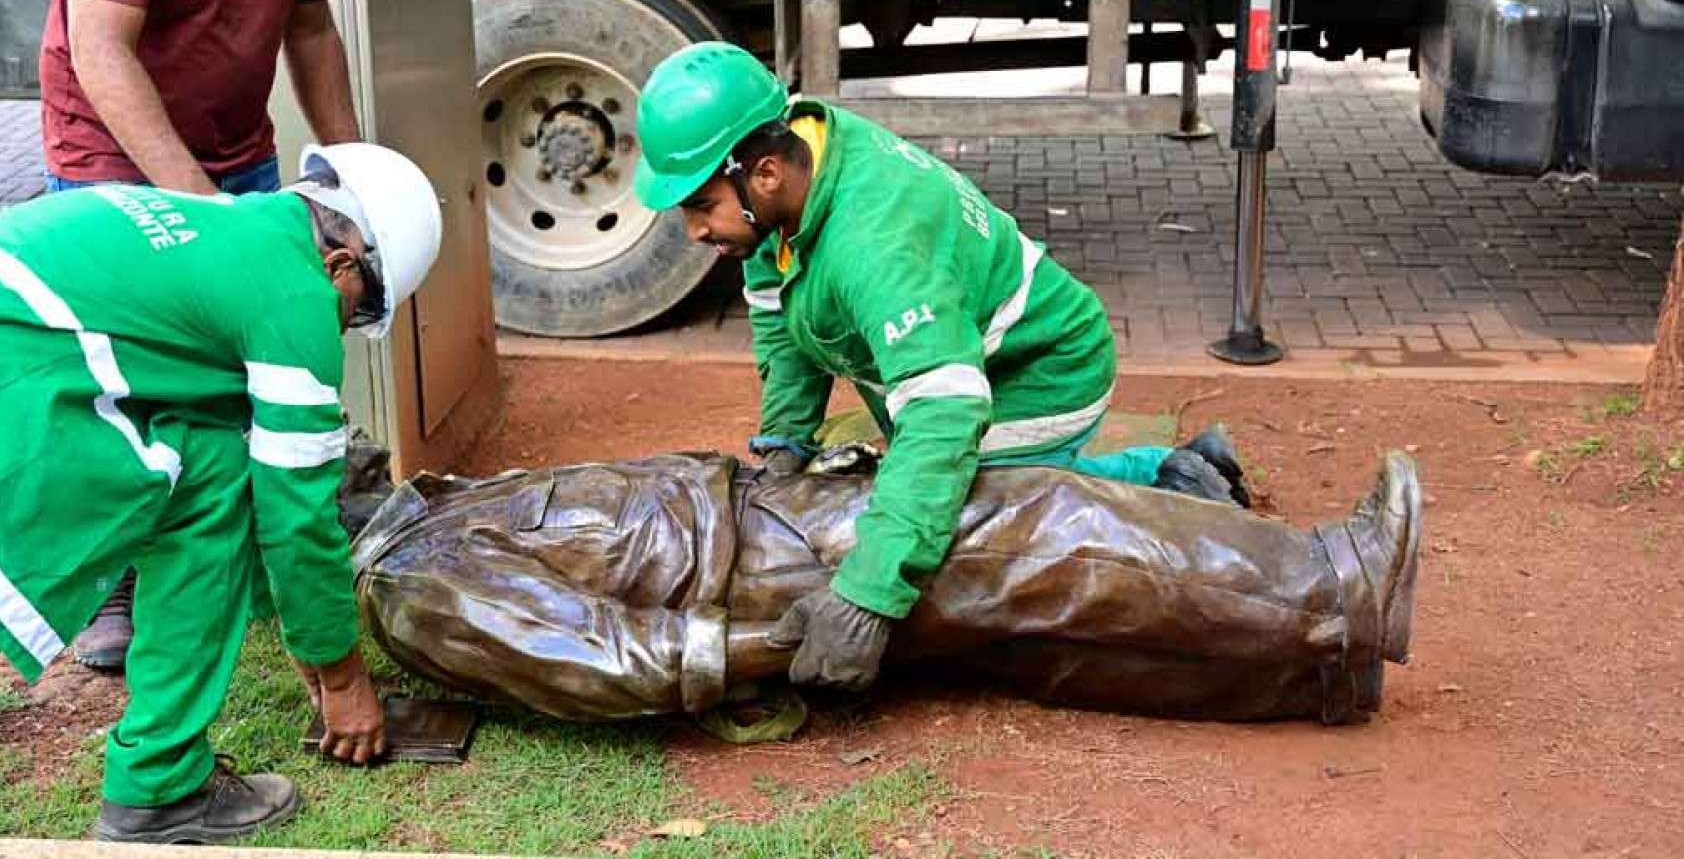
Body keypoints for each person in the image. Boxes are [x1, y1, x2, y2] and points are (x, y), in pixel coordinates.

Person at [0, 143, 442, 844]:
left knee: (79, 495)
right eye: (359, 312)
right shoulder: (295, 292)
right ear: (342, 264)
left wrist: (307, 643)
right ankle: (161, 785)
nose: (343, 329)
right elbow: (293, 519)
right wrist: (343, 676)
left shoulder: (201, 226)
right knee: (210, 483)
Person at [630, 41, 1248, 692]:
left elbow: (943, 416)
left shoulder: (873, 245)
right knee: (919, 495)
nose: (693, 231)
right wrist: (787, 441)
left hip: (1040, 373)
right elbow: (782, 324)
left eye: (700, 206)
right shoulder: (789, 182)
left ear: (762, 174)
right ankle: (1179, 466)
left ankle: (1170, 480)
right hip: (959, 358)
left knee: (987, 525)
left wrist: (868, 598)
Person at [37, 0, 363, 667]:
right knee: (124, 382)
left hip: (237, 151)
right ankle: (113, 589)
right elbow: (101, 53)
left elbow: (310, 33)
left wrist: (354, 177)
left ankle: (239, 558)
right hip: (107, 157)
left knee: (232, 376)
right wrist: (201, 211)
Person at [348, 450, 1420, 726]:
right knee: (1036, 526)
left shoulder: (431, 506)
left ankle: (1314, 675)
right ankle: (1340, 584)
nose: (342, 447)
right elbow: (611, 660)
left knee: (1016, 635)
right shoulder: (415, 577)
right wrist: (805, 631)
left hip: (766, 520)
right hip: (769, 569)